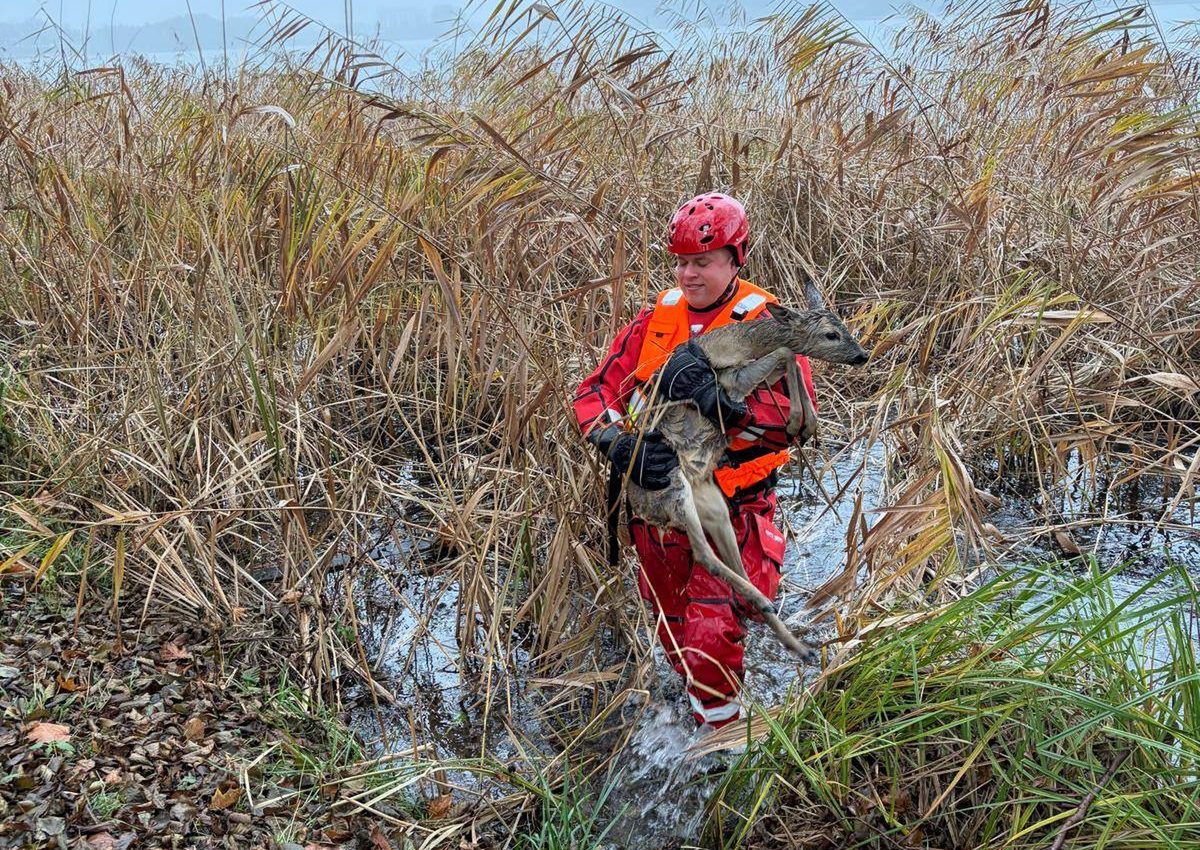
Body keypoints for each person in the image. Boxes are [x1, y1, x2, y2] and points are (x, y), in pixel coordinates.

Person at [573, 193, 817, 729]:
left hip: (735, 508)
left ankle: (724, 748)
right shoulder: (655, 320)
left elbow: (794, 421)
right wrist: (620, 447)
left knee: (711, 635)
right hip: (658, 513)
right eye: (681, 261)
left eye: (701, 262)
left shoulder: (768, 323)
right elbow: (593, 395)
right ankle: (710, 715)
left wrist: (720, 406)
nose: (687, 273)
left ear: (736, 258)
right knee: (675, 633)